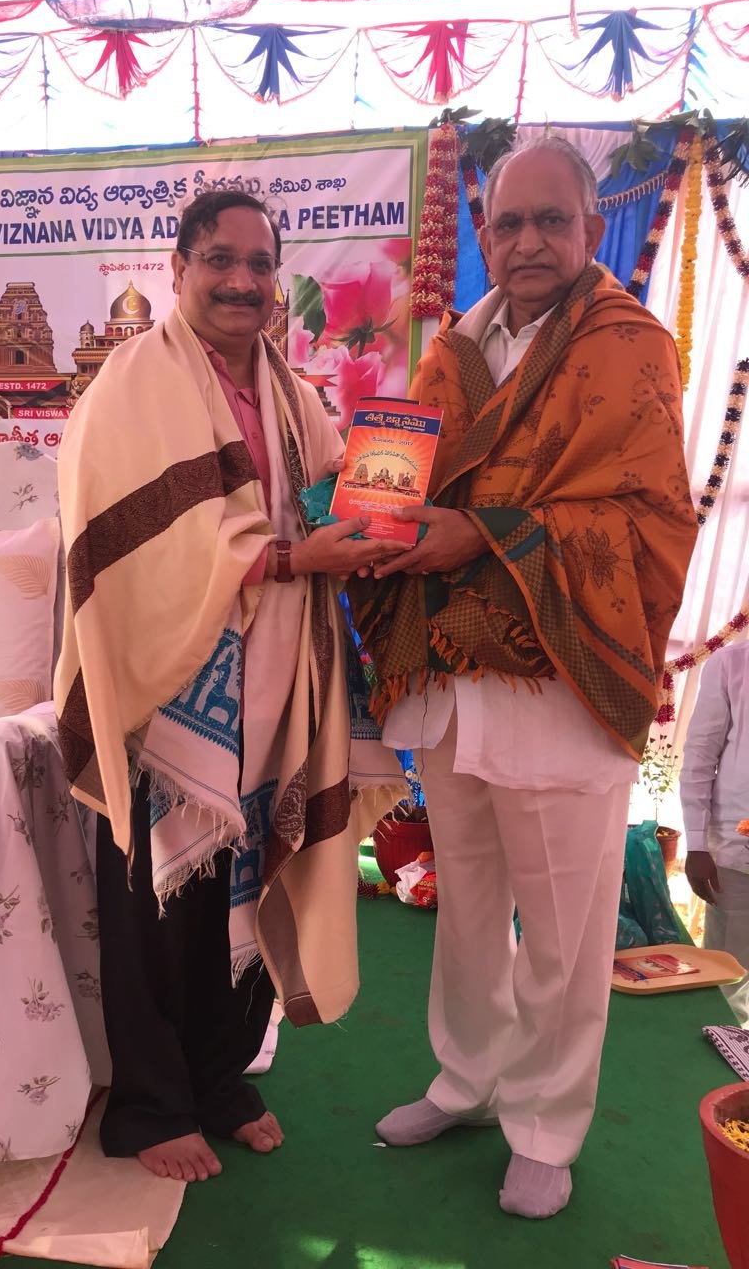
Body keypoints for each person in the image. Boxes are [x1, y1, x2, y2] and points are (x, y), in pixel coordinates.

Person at [347, 137, 697, 1218]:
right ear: (483, 233)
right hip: (455, 680)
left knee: (564, 923)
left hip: (561, 684)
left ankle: (548, 1121)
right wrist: (363, 515)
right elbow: (392, 481)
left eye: (553, 221)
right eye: (509, 223)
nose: (530, 241)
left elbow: (648, 520)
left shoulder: (629, 347)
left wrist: (481, 535)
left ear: (593, 232)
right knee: (467, 909)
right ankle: (468, 1078)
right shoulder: (456, 345)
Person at [54, 189, 406, 1184]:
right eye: (220, 258)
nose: (242, 280)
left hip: (276, 681)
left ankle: (218, 1077)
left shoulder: (294, 396)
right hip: (164, 682)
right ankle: (150, 1104)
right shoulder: (134, 384)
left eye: (259, 262)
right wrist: (294, 559)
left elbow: (338, 495)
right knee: (158, 901)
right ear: (177, 267)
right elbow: (129, 539)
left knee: (242, 885)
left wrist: (378, 518)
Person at [681, 641, 749, 1026]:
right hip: (739, 853)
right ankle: (720, 1073)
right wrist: (695, 843)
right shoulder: (731, 665)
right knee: (730, 978)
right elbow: (700, 758)